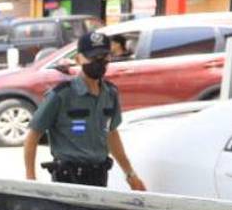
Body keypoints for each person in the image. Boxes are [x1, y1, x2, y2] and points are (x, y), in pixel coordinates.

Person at [23, 32, 147, 190]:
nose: (99, 62)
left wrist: (130, 175)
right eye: (93, 57)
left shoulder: (110, 94)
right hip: (68, 178)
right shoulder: (61, 95)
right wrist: (31, 180)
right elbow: (32, 136)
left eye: (104, 56)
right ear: (78, 59)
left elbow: (111, 133)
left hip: (99, 175)